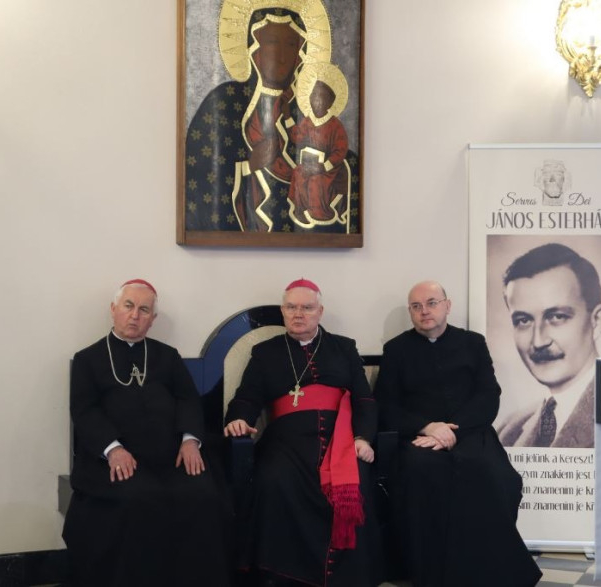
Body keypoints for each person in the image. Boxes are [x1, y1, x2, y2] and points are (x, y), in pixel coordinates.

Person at [62, 279, 230, 587]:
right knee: (140, 499)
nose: (135, 315)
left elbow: (188, 399)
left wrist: (190, 440)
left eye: (143, 310)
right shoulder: (89, 359)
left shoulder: (167, 356)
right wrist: (113, 449)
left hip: (171, 457)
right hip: (116, 459)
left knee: (202, 495)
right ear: (113, 309)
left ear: (152, 319)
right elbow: (84, 412)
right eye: (128, 306)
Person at [376, 281, 541, 587]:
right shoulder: (397, 349)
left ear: (447, 306)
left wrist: (452, 430)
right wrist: (428, 427)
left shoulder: (472, 343)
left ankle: (490, 573)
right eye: (416, 306)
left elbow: (489, 395)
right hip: (419, 438)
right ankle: (434, 575)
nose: (425, 311)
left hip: (470, 432)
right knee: (422, 473)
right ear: (411, 312)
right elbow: (385, 405)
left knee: (497, 478)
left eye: (432, 303)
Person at [224, 279, 380, 586]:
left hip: (340, 439)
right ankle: (282, 574)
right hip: (286, 440)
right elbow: (247, 398)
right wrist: (239, 419)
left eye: (307, 308)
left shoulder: (344, 347)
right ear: (283, 311)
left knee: (358, 479)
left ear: (320, 311)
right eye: (291, 307)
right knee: (273, 479)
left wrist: (362, 438)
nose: (298, 314)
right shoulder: (265, 352)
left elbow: (364, 399)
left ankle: (348, 576)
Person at [184, 1, 359, 235]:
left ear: (301, 53)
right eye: (272, 42)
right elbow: (200, 170)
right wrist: (249, 166)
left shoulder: (307, 111)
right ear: (253, 47)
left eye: (291, 44)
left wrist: (335, 168)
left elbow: (337, 152)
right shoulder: (225, 102)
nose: (281, 56)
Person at [496, 242, 601, 449]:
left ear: (597, 321)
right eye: (523, 320)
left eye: (557, 317)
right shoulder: (509, 431)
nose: (539, 341)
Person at [287, 62, 351, 228]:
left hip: (328, 169)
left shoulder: (335, 126)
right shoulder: (308, 121)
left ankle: (319, 213)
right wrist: (287, 119)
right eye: (312, 95)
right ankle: (299, 210)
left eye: (318, 97)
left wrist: (324, 166)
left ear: (328, 103)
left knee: (316, 180)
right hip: (308, 163)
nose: (314, 100)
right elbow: (297, 137)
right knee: (298, 172)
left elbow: (340, 150)